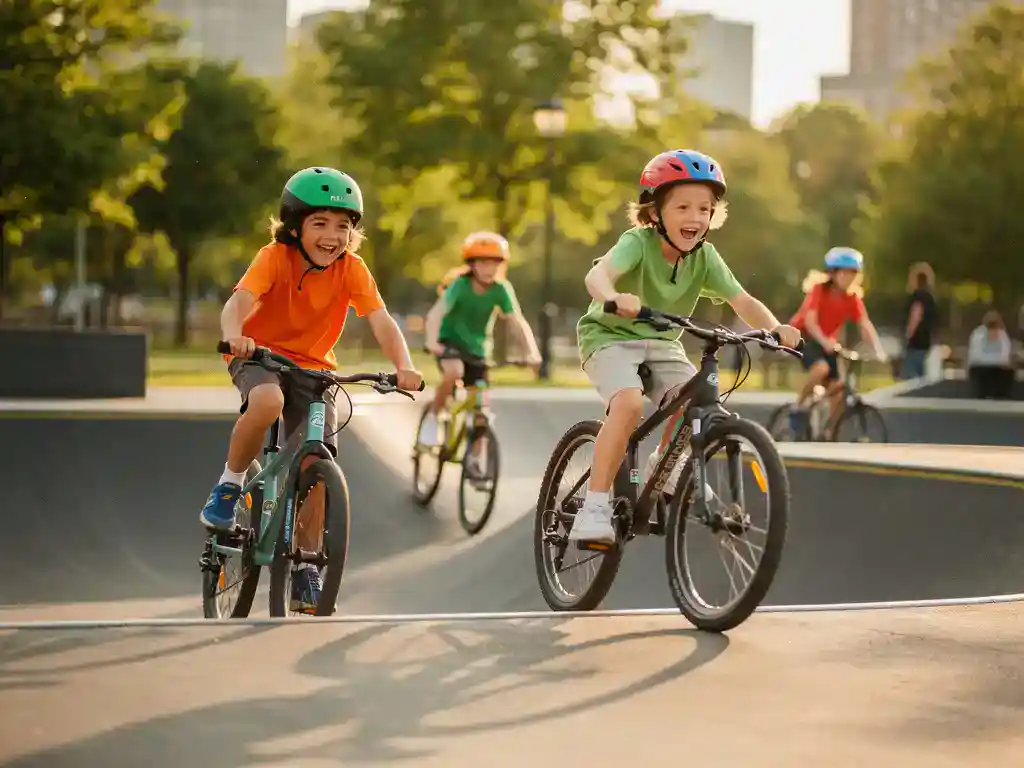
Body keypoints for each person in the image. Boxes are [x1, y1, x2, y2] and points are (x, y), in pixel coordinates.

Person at [200, 166, 423, 612]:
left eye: (343, 226)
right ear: (294, 225)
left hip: (314, 366)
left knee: (318, 457)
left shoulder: (352, 269)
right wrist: (235, 334)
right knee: (267, 400)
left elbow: (381, 320)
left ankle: (306, 566)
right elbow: (238, 303)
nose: (332, 236)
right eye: (320, 223)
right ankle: (230, 484)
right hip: (258, 354)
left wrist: (404, 366)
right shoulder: (274, 258)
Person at [569, 148, 802, 545]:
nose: (695, 217)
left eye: (704, 209)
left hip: (661, 342)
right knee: (628, 404)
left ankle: (667, 465)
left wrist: (776, 327)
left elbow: (742, 300)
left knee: (690, 397)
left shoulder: (705, 257)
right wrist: (612, 296)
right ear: (654, 212)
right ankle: (593, 508)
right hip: (609, 338)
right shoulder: (637, 243)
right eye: (682, 207)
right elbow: (598, 274)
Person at [421, 231, 542, 475]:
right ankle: (433, 418)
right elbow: (437, 312)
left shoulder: (501, 289)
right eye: (483, 262)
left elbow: (516, 322)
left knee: (481, 411)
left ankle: (475, 461)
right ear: (471, 264)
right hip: (450, 342)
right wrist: (432, 341)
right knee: (454, 372)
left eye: (495, 262)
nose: (489, 268)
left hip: (478, 350)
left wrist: (532, 353)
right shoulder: (460, 285)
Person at [788, 247, 887, 437]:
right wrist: (826, 342)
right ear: (832, 273)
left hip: (827, 342)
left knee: (839, 389)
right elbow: (810, 321)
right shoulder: (819, 290)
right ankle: (798, 406)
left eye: (853, 273)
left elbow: (865, 325)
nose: (849, 278)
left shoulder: (852, 299)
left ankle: (829, 432)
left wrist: (878, 350)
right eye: (844, 272)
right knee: (821, 369)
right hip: (804, 336)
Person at [901, 262, 938, 379]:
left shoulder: (917, 296)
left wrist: (908, 333)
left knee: (909, 374)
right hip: (926, 340)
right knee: (922, 373)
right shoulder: (930, 297)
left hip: (915, 341)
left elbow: (916, 314)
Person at [966, 309, 1014, 399]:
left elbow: (1005, 355)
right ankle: (983, 393)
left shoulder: (1002, 335)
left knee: (1007, 372)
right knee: (985, 371)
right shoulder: (978, 334)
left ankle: (1000, 395)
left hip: (996, 367)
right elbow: (976, 356)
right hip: (981, 367)